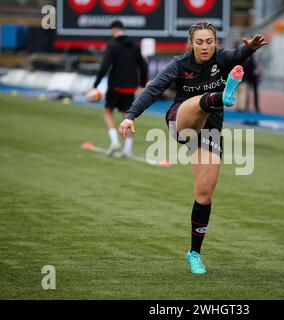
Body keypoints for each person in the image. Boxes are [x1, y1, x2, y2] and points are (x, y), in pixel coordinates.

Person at [119, 22, 267, 274]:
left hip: (209, 131)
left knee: (204, 193)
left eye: (209, 41)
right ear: (191, 44)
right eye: (199, 42)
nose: (205, 46)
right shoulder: (179, 64)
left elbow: (238, 55)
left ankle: (194, 253)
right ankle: (222, 97)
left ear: (216, 43)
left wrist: (250, 49)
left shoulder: (222, 58)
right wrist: (130, 116)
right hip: (181, 122)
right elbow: (153, 89)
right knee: (197, 103)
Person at [91, 20, 148, 157]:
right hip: (130, 88)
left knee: (107, 112)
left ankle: (115, 141)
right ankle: (127, 150)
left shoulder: (113, 45)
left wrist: (95, 85)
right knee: (128, 118)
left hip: (115, 86)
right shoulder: (134, 45)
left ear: (114, 30)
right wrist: (142, 84)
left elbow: (104, 66)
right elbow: (144, 66)